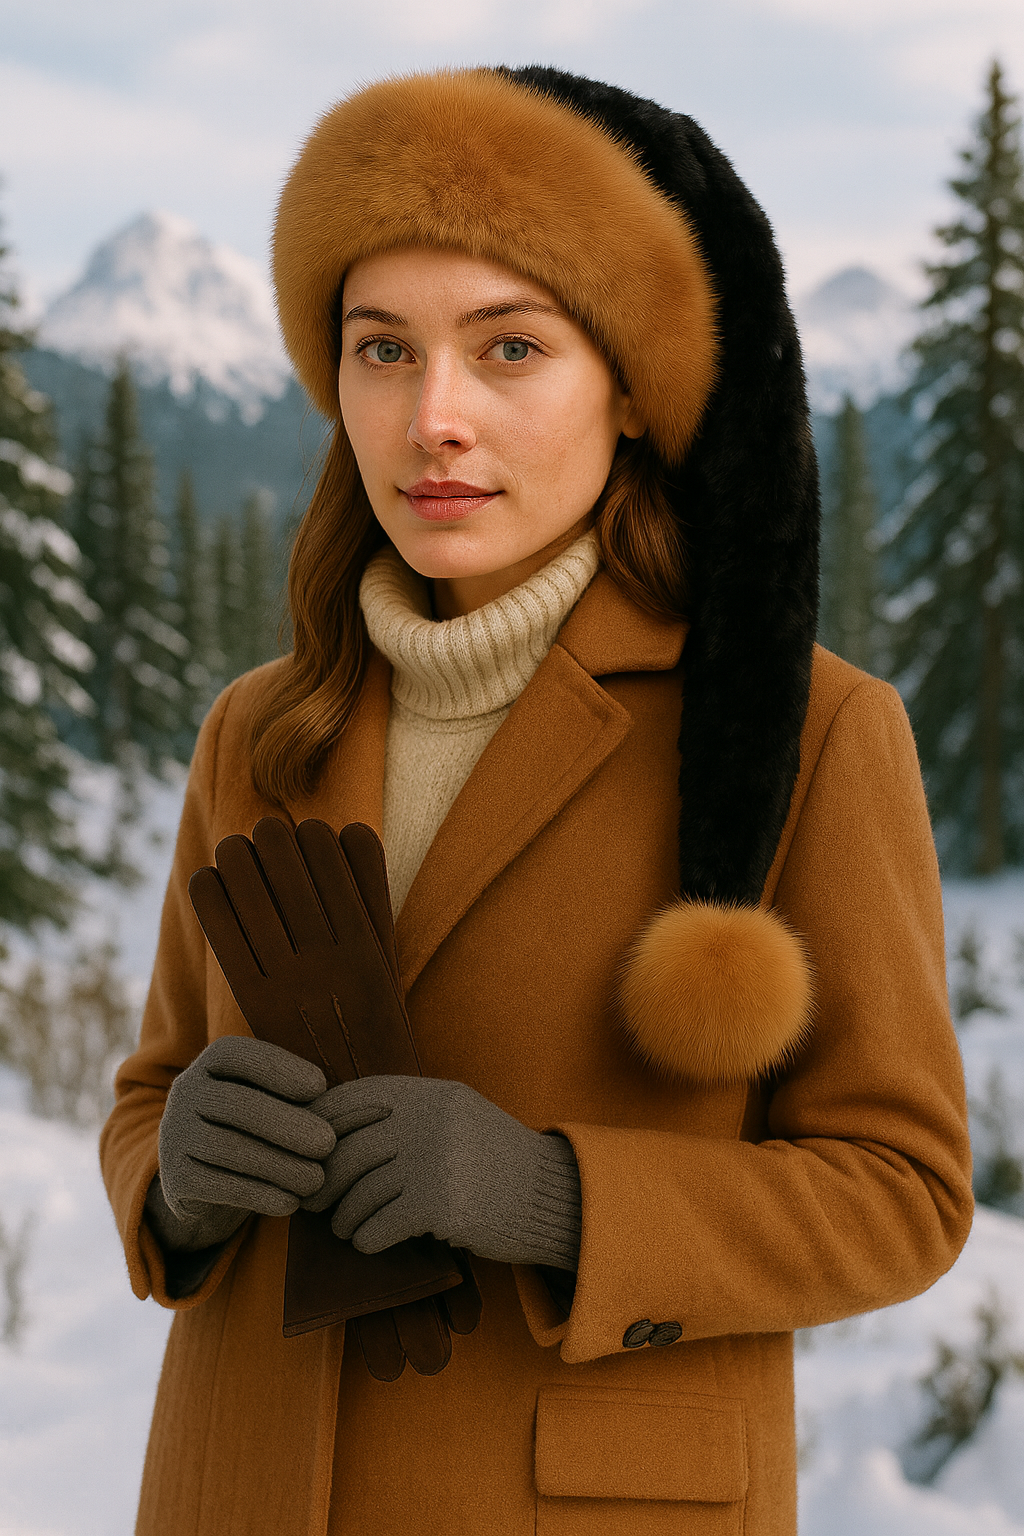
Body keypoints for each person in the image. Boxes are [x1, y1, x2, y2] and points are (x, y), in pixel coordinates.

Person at [100, 66, 973, 1536]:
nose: (433, 416)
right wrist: (172, 1175)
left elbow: (905, 1195)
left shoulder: (815, 732)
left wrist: (558, 1198)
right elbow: (149, 1093)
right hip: (238, 1487)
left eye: (509, 348)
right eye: (383, 351)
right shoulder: (259, 730)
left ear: (629, 383)